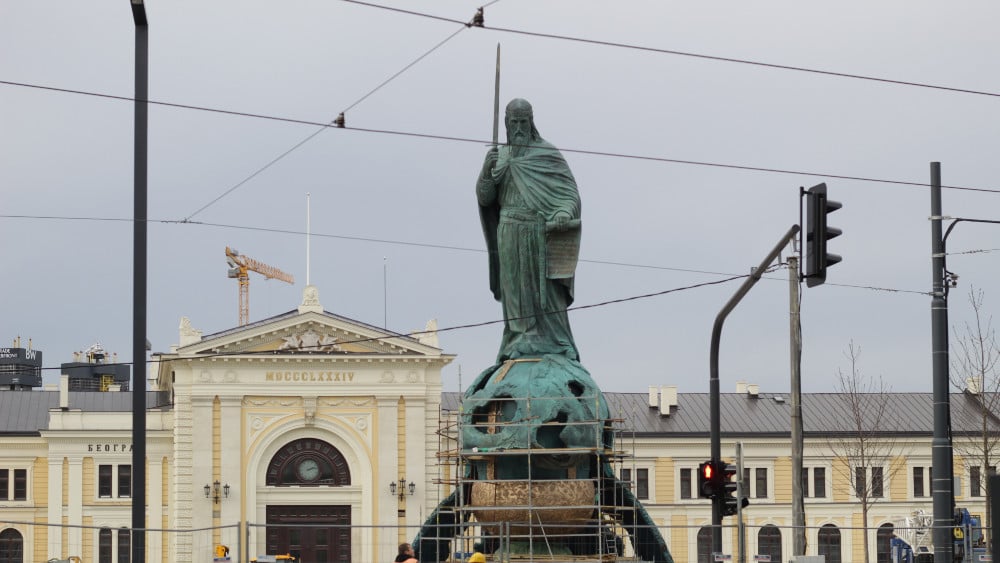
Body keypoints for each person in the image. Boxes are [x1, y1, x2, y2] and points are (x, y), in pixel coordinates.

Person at [476, 98, 582, 363]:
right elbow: (486, 198)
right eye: (515, 122)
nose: (520, 127)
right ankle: (518, 340)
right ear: (507, 124)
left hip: (539, 232)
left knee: (547, 292)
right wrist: (486, 172)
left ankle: (558, 342)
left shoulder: (547, 154)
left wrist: (562, 213)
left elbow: (569, 194)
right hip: (510, 231)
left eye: (524, 122)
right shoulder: (498, 156)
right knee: (515, 290)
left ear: (531, 121)